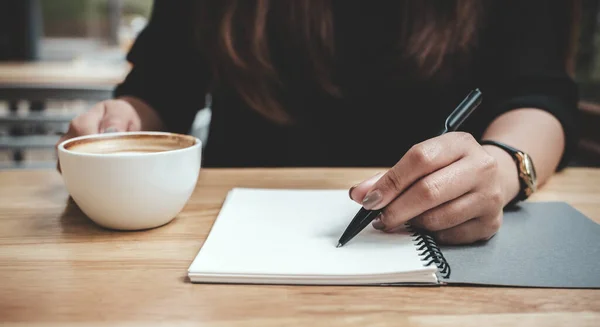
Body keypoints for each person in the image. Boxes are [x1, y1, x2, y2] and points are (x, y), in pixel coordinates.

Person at [58, 0, 580, 245]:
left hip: (439, 240)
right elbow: (159, 89)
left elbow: (539, 96)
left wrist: (505, 165)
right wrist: (120, 124)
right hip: (218, 236)